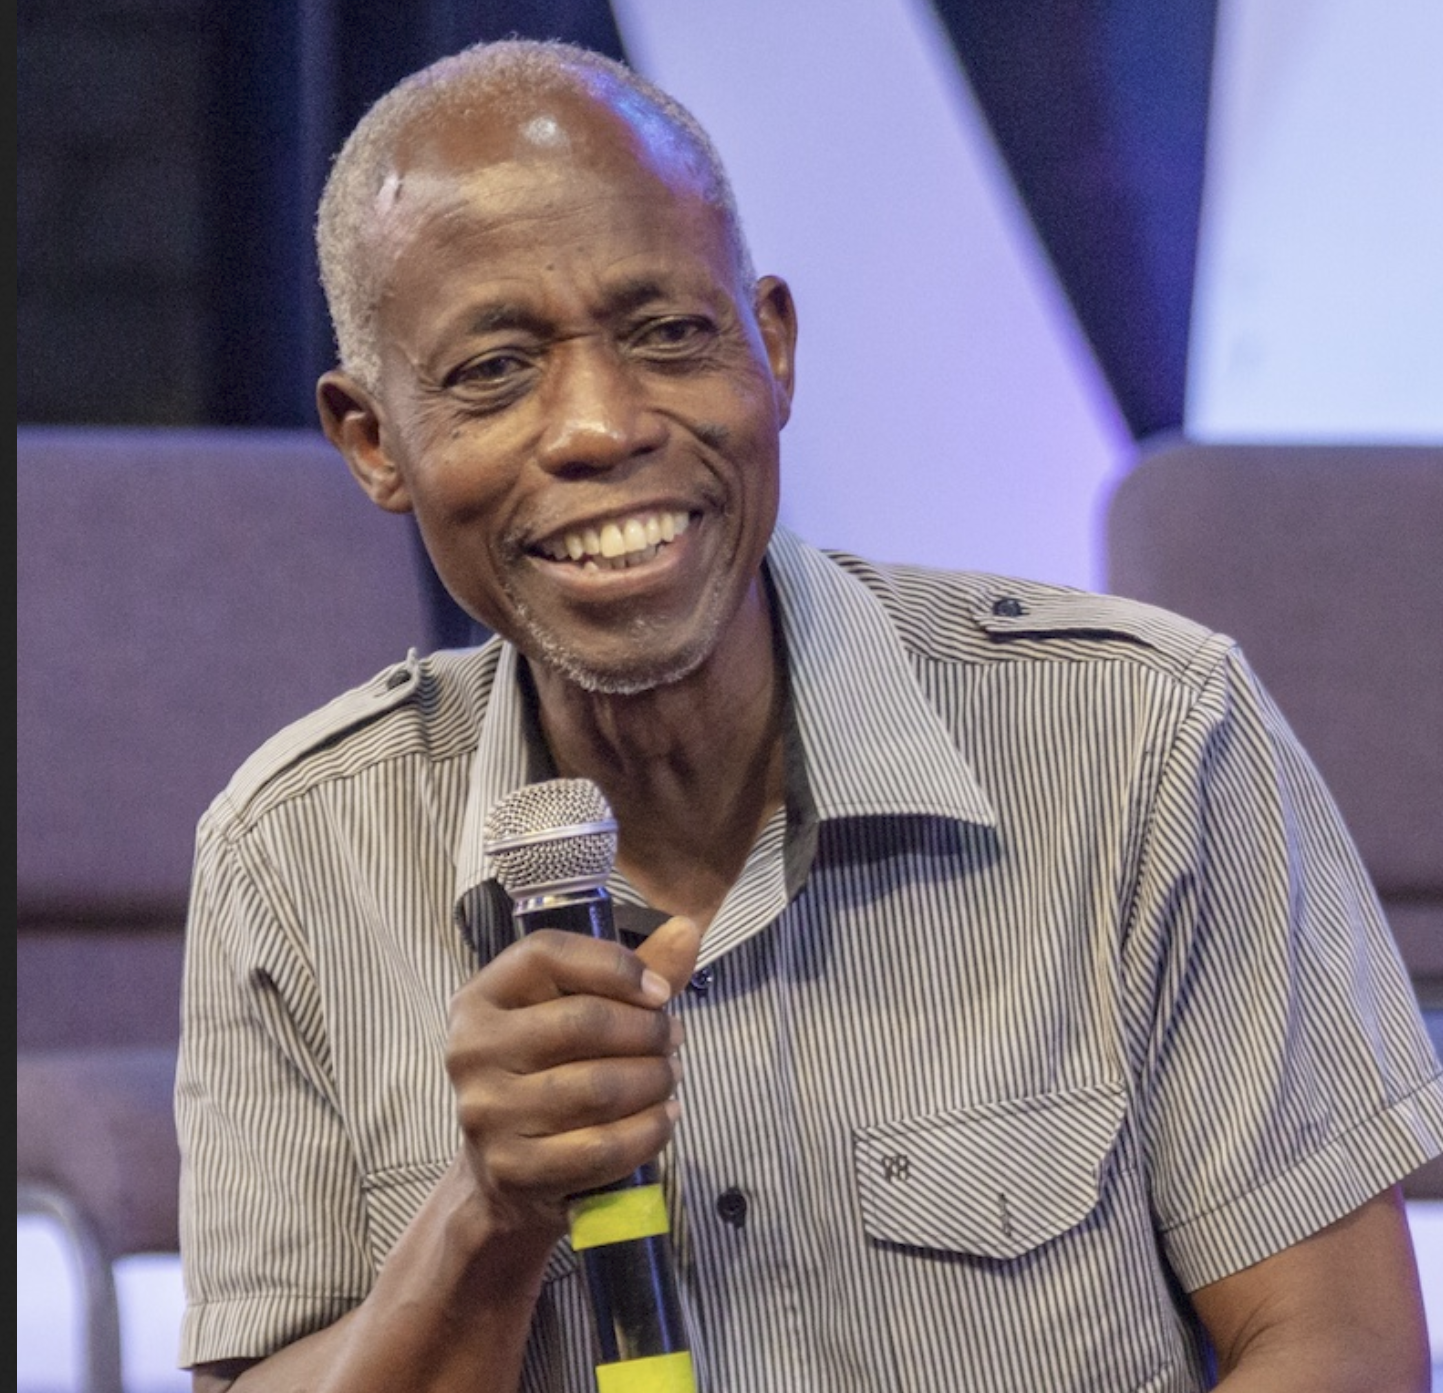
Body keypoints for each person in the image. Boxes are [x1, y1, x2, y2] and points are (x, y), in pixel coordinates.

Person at [175, 37, 1443, 1393]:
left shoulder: (1146, 737)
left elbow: (1343, 1350)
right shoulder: (292, 856)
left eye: (669, 334)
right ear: (374, 442)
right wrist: (489, 1218)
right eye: (495, 368)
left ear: (771, 347)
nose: (600, 426)